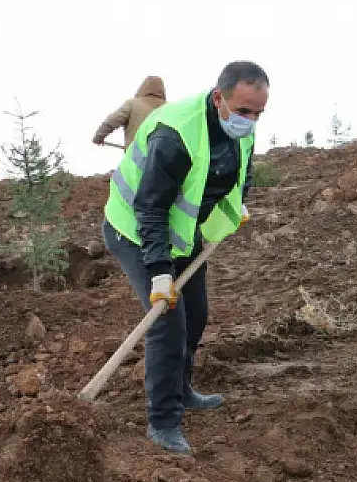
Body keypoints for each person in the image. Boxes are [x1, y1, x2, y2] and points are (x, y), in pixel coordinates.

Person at [102, 61, 266, 454]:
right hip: (136, 230)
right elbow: (150, 208)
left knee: (197, 313)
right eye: (244, 111)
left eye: (258, 113)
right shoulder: (175, 132)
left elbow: (241, 170)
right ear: (218, 98)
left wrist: (238, 202)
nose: (251, 120)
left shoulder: (239, 127)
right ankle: (163, 421)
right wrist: (159, 272)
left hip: (184, 232)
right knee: (167, 324)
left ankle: (183, 389)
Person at [93, 76, 168, 148]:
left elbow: (112, 120)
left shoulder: (133, 104)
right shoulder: (169, 108)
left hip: (138, 156)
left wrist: (99, 137)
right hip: (166, 157)